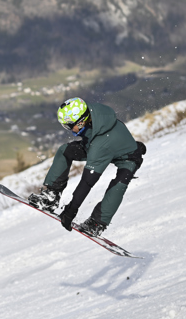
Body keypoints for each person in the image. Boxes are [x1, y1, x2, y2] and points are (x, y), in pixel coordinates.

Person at [28, 97, 145, 237]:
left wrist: (71, 210)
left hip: (128, 158)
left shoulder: (100, 145)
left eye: (69, 125)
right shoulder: (91, 112)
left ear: (81, 122)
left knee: (118, 186)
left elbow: (87, 182)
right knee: (65, 151)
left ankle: (97, 223)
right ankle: (51, 196)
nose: (68, 129)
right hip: (97, 143)